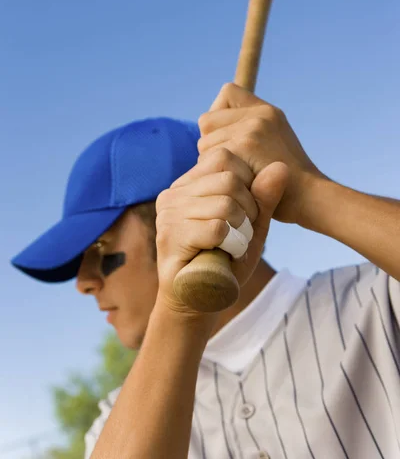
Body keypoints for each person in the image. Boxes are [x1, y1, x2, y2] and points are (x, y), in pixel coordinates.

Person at [11, 83, 400, 459]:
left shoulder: (377, 300)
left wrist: (309, 192)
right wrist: (180, 312)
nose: (83, 283)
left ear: (202, 214)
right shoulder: (120, 420)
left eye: (98, 249)